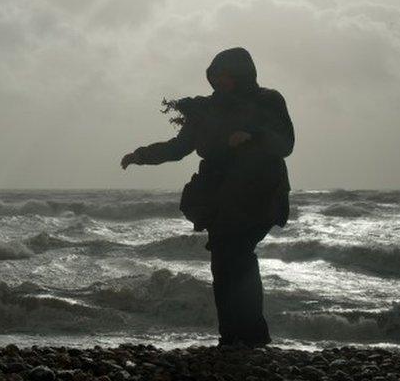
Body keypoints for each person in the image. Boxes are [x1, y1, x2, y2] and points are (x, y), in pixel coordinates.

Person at [120, 47, 294, 348]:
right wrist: (141, 155)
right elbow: (179, 147)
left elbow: (286, 143)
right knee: (224, 263)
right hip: (220, 195)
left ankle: (252, 336)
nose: (219, 82)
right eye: (215, 76)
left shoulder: (268, 100)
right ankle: (232, 336)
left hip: (260, 191)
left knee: (238, 257)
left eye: (225, 76)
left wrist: (253, 136)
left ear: (242, 74)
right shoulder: (206, 110)